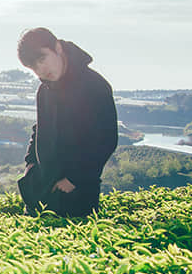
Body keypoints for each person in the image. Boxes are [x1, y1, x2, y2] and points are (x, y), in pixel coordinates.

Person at [16, 27, 118, 217]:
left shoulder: (94, 86)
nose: (41, 70)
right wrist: (30, 164)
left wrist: (73, 179)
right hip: (41, 187)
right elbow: (38, 129)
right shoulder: (44, 90)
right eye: (34, 67)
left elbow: (106, 140)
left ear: (58, 48)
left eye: (42, 59)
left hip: (76, 192)